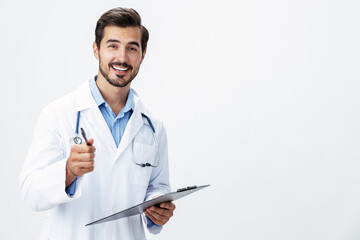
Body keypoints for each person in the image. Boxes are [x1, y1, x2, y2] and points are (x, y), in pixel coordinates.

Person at [20, 7, 175, 240]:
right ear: (96, 50)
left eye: (132, 48)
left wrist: (157, 207)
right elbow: (31, 193)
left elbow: (157, 187)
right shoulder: (58, 114)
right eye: (113, 45)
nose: (122, 57)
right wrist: (69, 171)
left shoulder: (152, 125)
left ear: (142, 55)